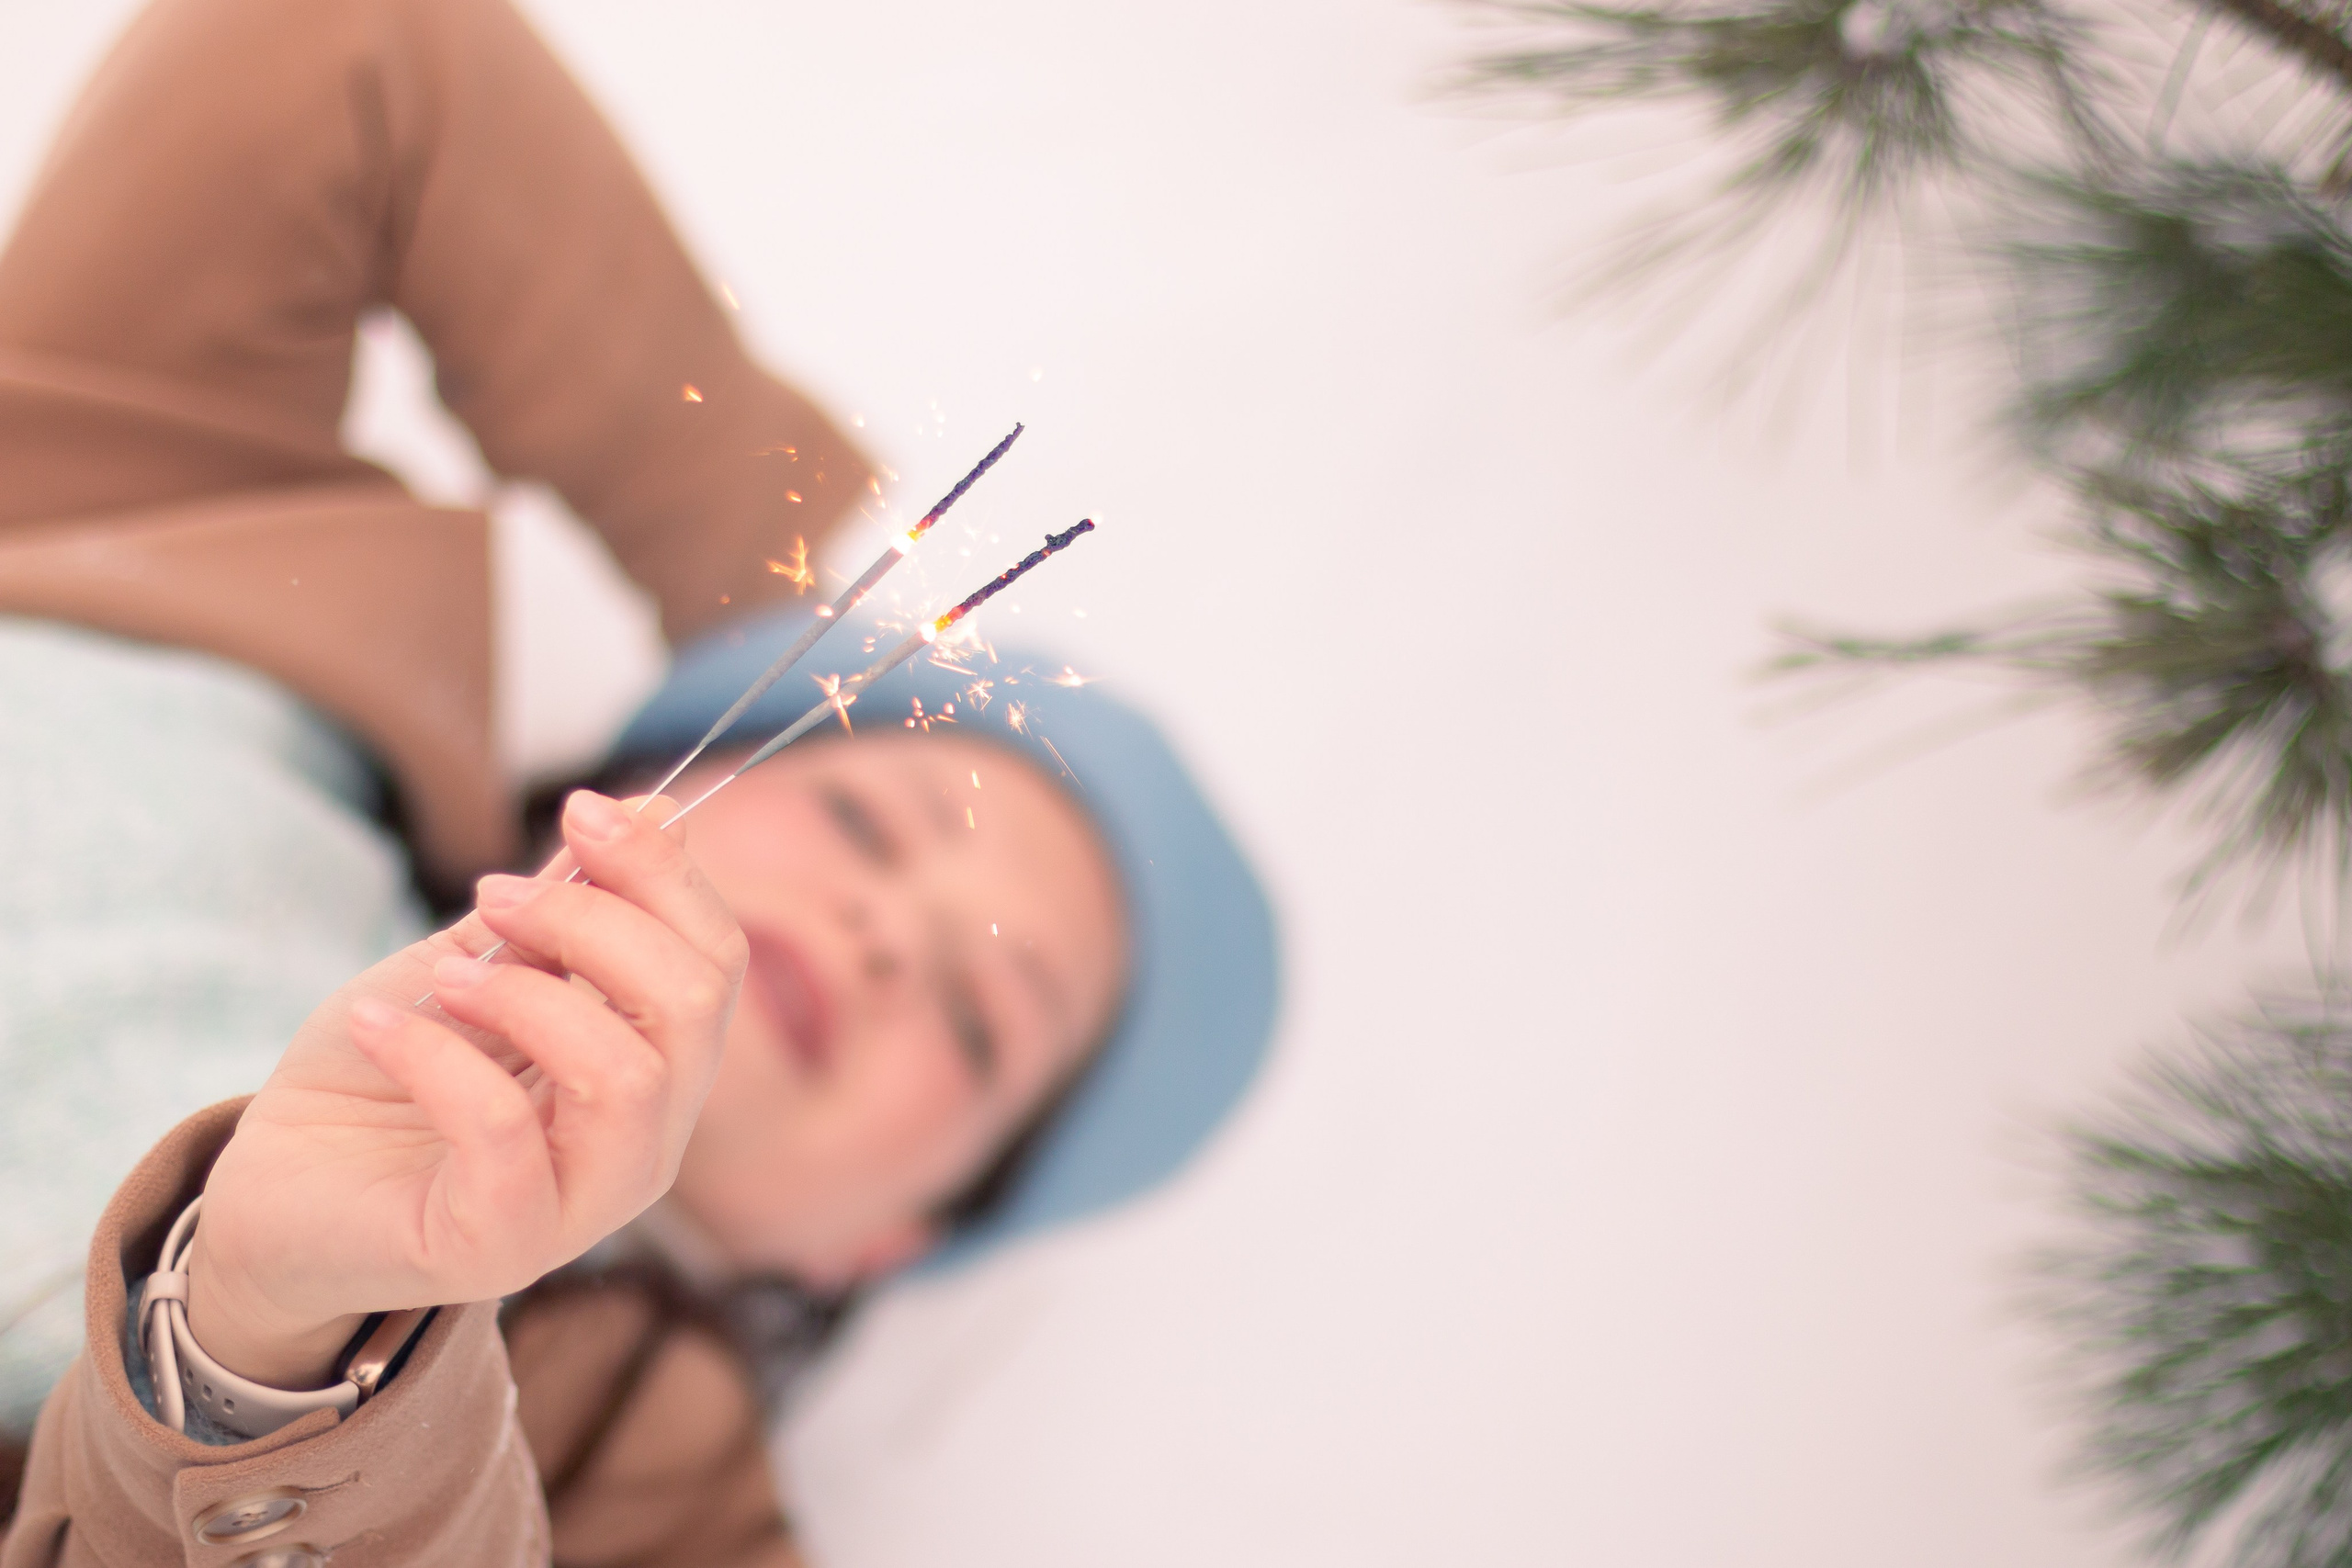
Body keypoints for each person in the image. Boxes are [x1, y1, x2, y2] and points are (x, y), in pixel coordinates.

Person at [0, 0, 1279, 1562]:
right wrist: (807, 594)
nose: (887, 936)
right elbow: (350, 57)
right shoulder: (185, 547)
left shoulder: (651, 1471)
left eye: (973, 1017)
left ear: (885, 1242)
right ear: (684, 771)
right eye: (864, 817)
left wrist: (272, 1350)